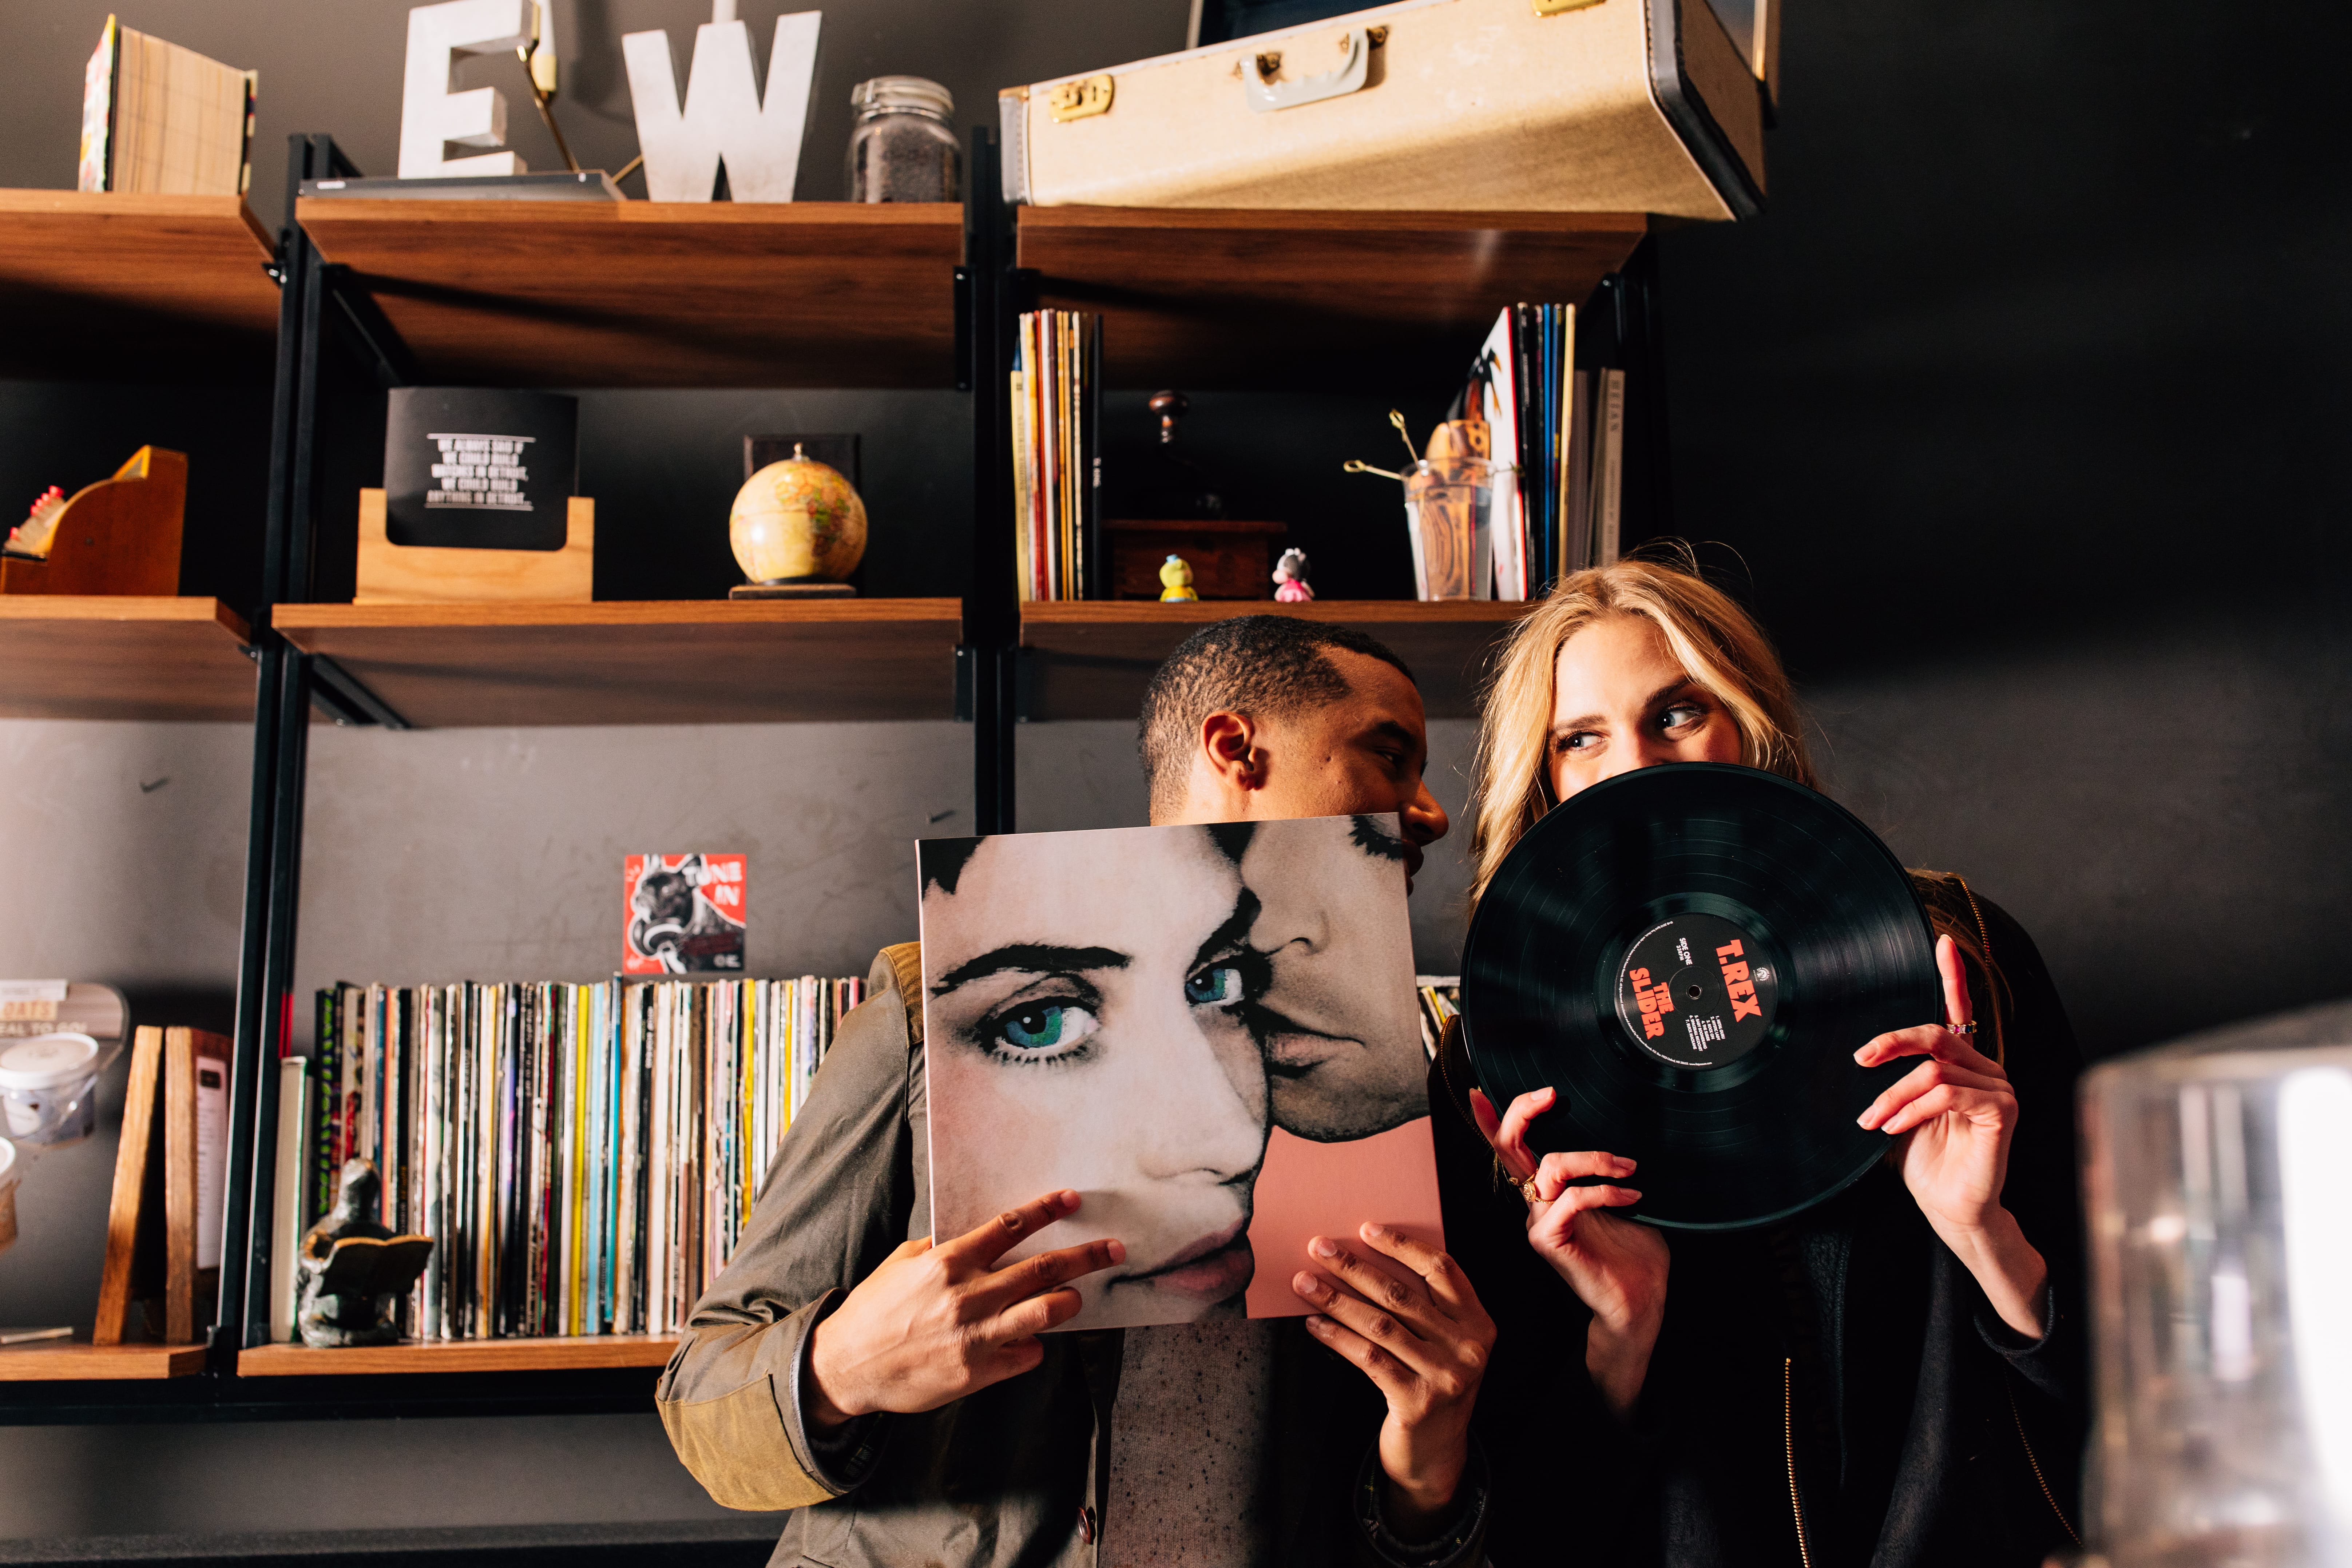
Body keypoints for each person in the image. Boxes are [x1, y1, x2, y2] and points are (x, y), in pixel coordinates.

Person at [658, 615, 1496, 1568]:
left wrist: (1429, 1463)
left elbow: (1403, 1511)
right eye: (1389, 754)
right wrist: (842, 1366)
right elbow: (703, 1398)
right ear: (1236, 749)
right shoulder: (927, 997)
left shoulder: (1382, 1077)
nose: (1428, 812)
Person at [1438, 555, 2085, 1565]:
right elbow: (1512, 1508)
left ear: (1752, 723)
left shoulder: (1959, 958)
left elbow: (2121, 1391)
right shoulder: (1497, 1046)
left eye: (1679, 711)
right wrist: (1622, 1333)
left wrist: (1983, 1233)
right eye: (1582, 738)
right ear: (1548, 775)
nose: (1639, 766)